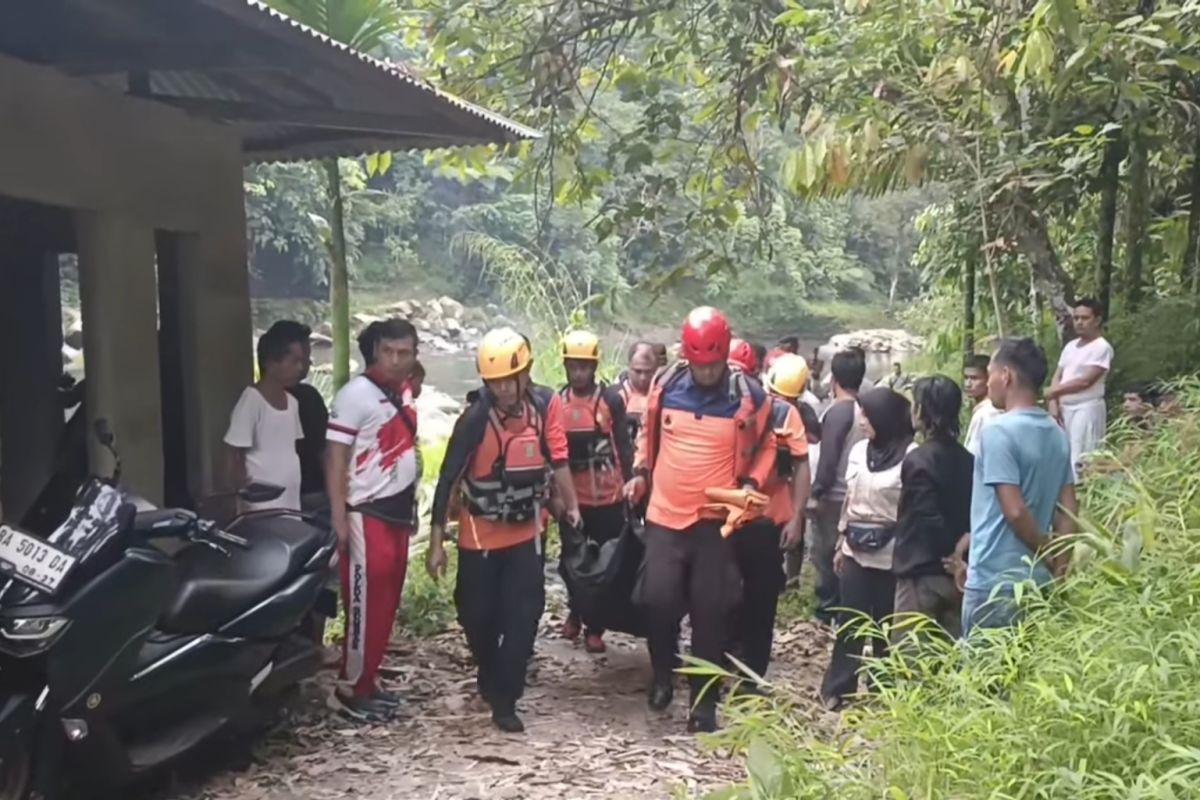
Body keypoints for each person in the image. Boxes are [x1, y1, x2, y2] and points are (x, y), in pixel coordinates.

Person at [623, 306, 775, 733]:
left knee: (712, 611)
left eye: (713, 364)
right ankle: (662, 675)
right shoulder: (665, 386)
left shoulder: (747, 395)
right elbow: (647, 436)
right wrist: (639, 473)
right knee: (658, 600)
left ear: (723, 354)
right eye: (699, 364)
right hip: (665, 515)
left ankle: (703, 704)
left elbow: (768, 445)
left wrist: (751, 482)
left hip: (714, 522)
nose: (706, 372)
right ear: (687, 355)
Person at [426, 328, 582, 733]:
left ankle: (506, 699)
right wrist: (436, 543)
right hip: (479, 532)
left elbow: (558, 457)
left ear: (525, 374)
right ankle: (490, 672)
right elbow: (447, 478)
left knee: (523, 616)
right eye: (495, 382)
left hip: (527, 530)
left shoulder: (545, 405)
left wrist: (571, 505)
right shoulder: (476, 417)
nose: (504, 389)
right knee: (476, 614)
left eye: (510, 380)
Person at [325, 318, 421, 722]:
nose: (396, 361)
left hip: (397, 513)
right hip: (366, 513)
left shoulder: (402, 390)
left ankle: (368, 679)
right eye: (388, 352)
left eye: (405, 353)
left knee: (386, 602)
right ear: (375, 351)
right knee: (364, 604)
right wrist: (338, 517)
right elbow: (334, 457)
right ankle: (351, 688)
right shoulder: (355, 396)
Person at [962, 338, 1076, 636]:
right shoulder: (1056, 432)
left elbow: (1014, 510)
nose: (987, 384)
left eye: (990, 374)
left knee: (982, 678)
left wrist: (1047, 554)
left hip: (994, 581)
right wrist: (1060, 570)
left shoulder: (997, 431)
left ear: (1006, 376)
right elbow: (1068, 511)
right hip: (1039, 583)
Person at [820, 388, 914, 710]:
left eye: (868, 415)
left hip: (891, 552)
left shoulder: (910, 454)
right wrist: (840, 540)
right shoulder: (860, 450)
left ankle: (881, 687)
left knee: (886, 624)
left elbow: (911, 507)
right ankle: (839, 687)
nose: (862, 421)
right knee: (852, 621)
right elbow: (849, 498)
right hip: (855, 547)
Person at [557, 330, 634, 653]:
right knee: (572, 562)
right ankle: (576, 610)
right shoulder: (556, 402)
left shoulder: (610, 401)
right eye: (573, 367)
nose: (579, 373)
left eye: (584, 367)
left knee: (605, 565)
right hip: (573, 500)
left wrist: (631, 484)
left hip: (607, 498)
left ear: (594, 366)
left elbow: (622, 446)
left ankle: (594, 626)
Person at [737, 354, 811, 682]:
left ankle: (746, 668)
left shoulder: (781, 412)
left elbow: (801, 465)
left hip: (760, 519)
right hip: (748, 517)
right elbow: (800, 466)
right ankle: (745, 664)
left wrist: (796, 519)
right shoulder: (788, 412)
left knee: (755, 596)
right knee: (747, 597)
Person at [892, 376, 973, 641]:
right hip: (959, 574)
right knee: (948, 659)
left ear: (922, 411)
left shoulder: (918, 460)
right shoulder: (968, 460)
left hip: (922, 572)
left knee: (911, 663)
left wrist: (947, 550)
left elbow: (926, 516)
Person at [809, 346, 867, 624]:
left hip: (834, 497)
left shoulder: (838, 412)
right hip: (854, 494)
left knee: (825, 557)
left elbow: (828, 459)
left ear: (833, 379)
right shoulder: (863, 410)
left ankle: (826, 614)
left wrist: (816, 492)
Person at [224, 325, 306, 512]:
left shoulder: (293, 403)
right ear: (271, 362)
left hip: (290, 499)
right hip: (261, 502)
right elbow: (233, 451)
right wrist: (241, 491)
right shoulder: (252, 399)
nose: (300, 368)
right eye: (294, 361)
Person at [1047, 298, 1114, 477]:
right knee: (1061, 455)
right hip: (1063, 408)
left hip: (1086, 407)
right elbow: (1058, 375)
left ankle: (1082, 495)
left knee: (1081, 457)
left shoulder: (1102, 347)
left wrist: (1054, 391)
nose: (1079, 322)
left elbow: (1085, 381)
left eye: (1084, 318)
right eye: (1076, 318)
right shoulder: (1070, 347)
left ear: (1097, 320)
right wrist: (1053, 402)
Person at [619, 341, 658, 444]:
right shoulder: (616, 396)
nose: (643, 378)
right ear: (629, 367)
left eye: (648, 372)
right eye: (638, 371)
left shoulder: (664, 396)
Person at [963, 354, 999, 456]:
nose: (968, 384)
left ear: (988, 380)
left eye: (974, 378)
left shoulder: (987, 413)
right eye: (966, 378)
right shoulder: (982, 410)